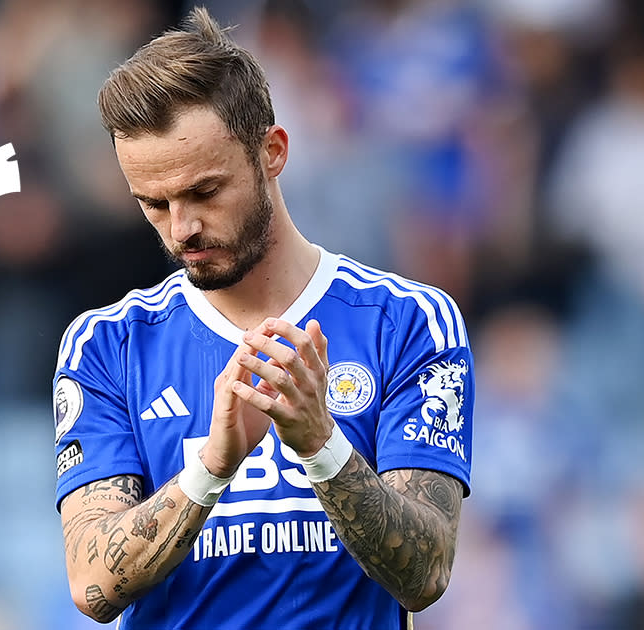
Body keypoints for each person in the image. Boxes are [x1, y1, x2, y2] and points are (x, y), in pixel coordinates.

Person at [53, 7, 472, 629]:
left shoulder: (408, 321)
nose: (182, 228)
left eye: (204, 191)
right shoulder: (108, 344)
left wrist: (319, 443)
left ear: (272, 152)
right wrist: (210, 468)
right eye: (154, 203)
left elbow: (426, 573)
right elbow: (92, 586)